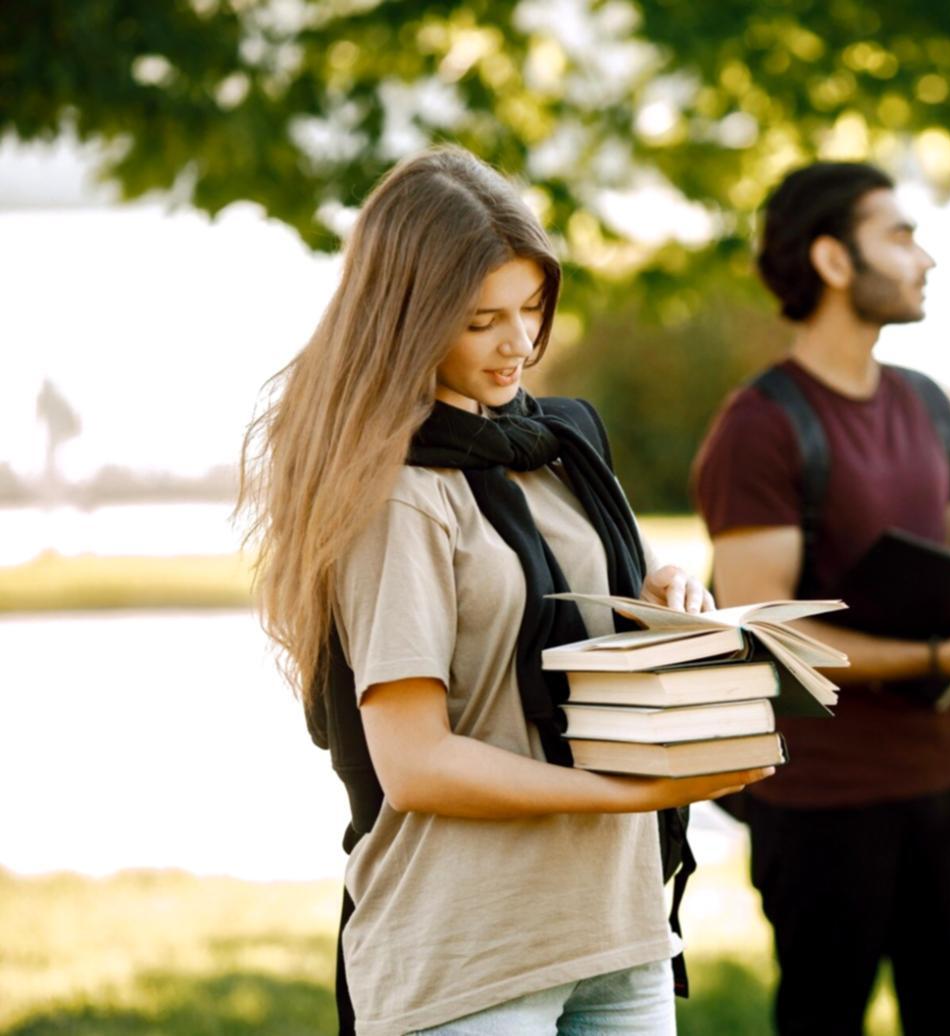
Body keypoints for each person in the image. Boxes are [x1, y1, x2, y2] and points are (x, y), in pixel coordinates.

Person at [239, 146, 770, 1035]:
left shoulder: (557, 447)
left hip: (618, 928)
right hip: (471, 953)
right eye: (483, 319)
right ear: (408, 320)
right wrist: (628, 792)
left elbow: (592, 590)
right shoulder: (398, 492)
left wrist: (665, 588)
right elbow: (416, 763)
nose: (520, 342)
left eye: (531, 308)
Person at [690, 161, 950, 1035]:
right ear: (832, 260)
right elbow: (764, 640)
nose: (925, 258)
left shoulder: (928, 404)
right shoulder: (761, 427)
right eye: (899, 235)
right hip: (825, 804)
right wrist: (940, 655)